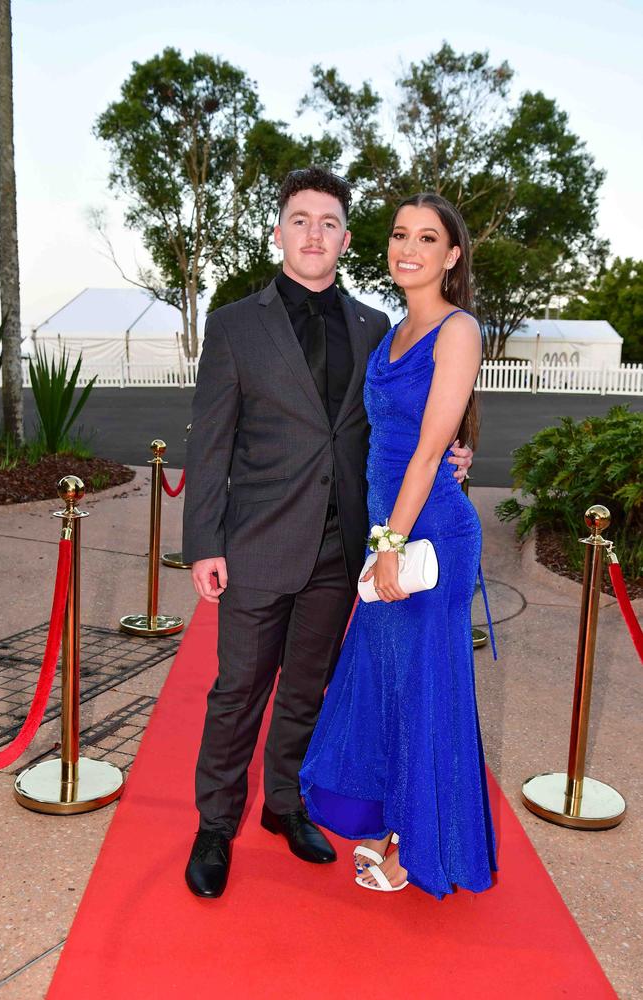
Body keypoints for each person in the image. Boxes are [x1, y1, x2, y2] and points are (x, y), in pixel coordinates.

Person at [182, 168, 473, 899]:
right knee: (237, 690)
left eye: (329, 222)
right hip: (256, 543)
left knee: (307, 690)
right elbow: (209, 443)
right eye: (300, 219)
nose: (314, 233)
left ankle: (285, 804)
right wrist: (205, 542)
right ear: (279, 231)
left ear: (345, 238)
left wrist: (454, 457)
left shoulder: (378, 326)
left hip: (344, 550)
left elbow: (402, 423)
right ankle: (215, 826)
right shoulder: (234, 324)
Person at [300, 192, 497, 897]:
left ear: (451, 255)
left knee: (424, 689)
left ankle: (417, 854)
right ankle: (398, 833)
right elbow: (388, 436)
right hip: (392, 530)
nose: (407, 248)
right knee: (394, 687)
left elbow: (425, 455)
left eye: (426, 238)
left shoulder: (458, 329)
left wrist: (388, 544)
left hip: (425, 537)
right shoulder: (392, 333)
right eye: (399, 235)